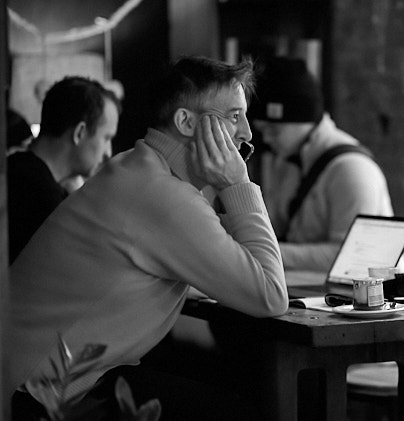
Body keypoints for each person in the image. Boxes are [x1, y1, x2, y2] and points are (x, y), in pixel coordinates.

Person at [8, 56, 288, 420]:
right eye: (234, 116)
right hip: (35, 398)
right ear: (186, 122)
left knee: (214, 377)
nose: (247, 132)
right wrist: (238, 184)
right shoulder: (161, 193)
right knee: (240, 408)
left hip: (41, 378)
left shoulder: (136, 168)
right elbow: (271, 294)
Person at [251, 55, 404, 272]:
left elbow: (355, 255)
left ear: (302, 120)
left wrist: (266, 252)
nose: (266, 139)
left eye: (273, 130)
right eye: (262, 131)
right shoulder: (285, 161)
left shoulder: (351, 169)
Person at [7, 76, 121, 264]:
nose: (109, 153)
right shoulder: (41, 201)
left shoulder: (19, 169)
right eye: (106, 138)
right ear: (80, 133)